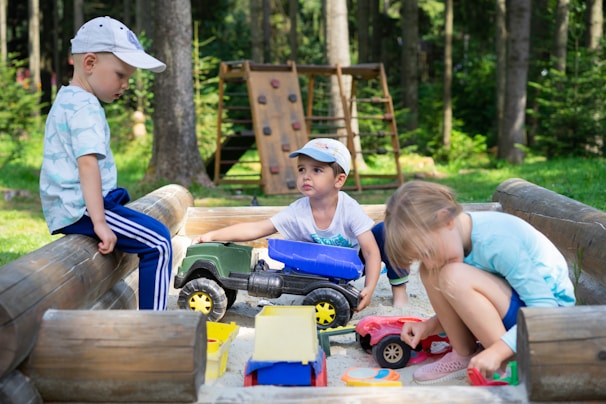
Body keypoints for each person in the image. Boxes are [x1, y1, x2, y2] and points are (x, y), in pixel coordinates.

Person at [383, 180, 575, 384]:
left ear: (446, 219)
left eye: (429, 252)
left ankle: (506, 365)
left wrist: (498, 352)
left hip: (549, 320)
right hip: (517, 314)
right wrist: (429, 326)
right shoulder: (455, 240)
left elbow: (546, 309)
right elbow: (474, 302)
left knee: (452, 275)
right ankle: (463, 353)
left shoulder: (495, 241)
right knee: (432, 273)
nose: (430, 262)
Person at [39, 16, 171, 310]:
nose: (125, 85)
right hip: (83, 209)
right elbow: (87, 164)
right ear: (89, 63)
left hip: (73, 206)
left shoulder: (68, 99)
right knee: (159, 242)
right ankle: (156, 326)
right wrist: (100, 222)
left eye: (129, 78)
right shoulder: (85, 107)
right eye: (121, 75)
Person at [193, 138, 382, 312]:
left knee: (383, 234)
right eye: (302, 169)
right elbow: (258, 228)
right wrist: (212, 235)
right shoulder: (298, 210)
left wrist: (370, 288)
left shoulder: (349, 210)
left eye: (316, 170)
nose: (306, 176)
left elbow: (371, 252)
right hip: (315, 269)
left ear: (339, 180)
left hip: (348, 266)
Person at [370, 221, 410, 307]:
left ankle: (399, 288)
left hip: (355, 256)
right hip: (334, 270)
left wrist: (368, 289)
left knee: (387, 230)